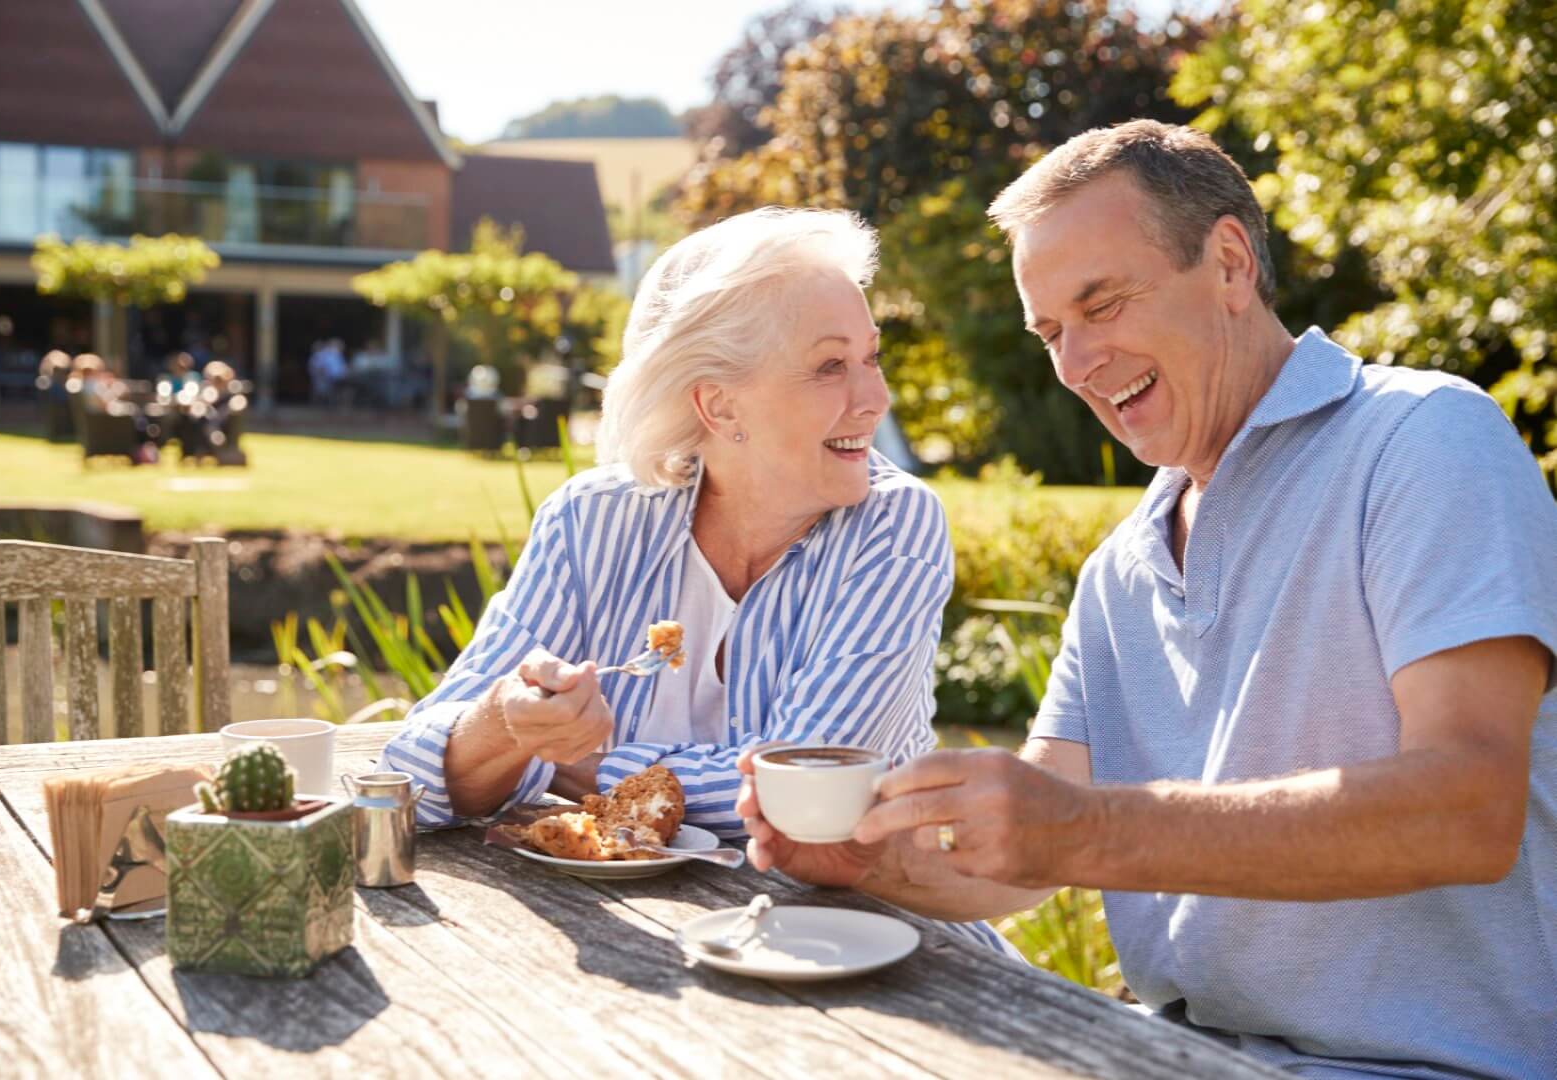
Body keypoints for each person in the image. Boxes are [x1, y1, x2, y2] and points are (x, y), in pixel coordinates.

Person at [738, 120, 1557, 1077]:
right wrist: (870, 862)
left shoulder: (1422, 440)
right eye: (1051, 332)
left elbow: (1467, 808)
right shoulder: (1119, 570)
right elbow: (1021, 857)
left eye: (1104, 304)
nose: (1077, 363)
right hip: (1165, 1052)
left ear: (1229, 263)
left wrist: (1088, 832)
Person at [381, 206, 1011, 952]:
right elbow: (410, 777)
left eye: (871, 358)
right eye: (830, 365)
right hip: (639, 949)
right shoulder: (592, 522)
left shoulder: (894, 525)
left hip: (877, 949)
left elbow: (805, 794)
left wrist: (565, 762)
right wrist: (507, 719)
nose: (874, 399)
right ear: (718, 404)